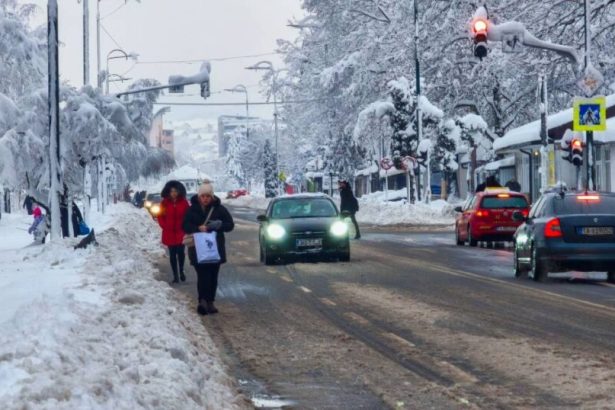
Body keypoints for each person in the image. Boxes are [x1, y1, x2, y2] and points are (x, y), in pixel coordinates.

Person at [183, 182, 234, 315]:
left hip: (214, 248)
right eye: (203, 196)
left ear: (212, 197)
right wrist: (197, 228)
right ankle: (203, 301)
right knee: (202, 275)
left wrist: (218, 225)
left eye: (208, 196)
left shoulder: (219, 209)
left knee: (213, 276)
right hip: (197, 249)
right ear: (199, 196)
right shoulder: (192, 209)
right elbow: (185, 226)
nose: (205, 199)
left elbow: (230, 225)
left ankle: (210, 301)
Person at [158, 180, 190, 284]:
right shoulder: (164, 203)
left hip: (181, 232)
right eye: (172, 191)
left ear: (179, 191)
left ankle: (181, 270)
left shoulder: (184, 203)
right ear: (168, 192)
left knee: (181, 253)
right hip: (169, 232)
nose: (174, 193)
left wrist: (185, 226)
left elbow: (188, 215)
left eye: (176, 191)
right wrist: (165, 226)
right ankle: (175, 275)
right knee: (172, 254)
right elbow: (160, 216)